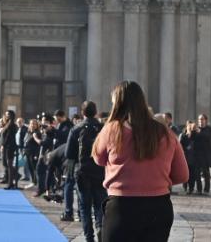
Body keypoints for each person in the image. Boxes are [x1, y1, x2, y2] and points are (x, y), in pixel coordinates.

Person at [93, 81, 189, 242]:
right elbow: (182, 175)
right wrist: (154, 179)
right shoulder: (165, 133)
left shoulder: (111, 130)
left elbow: (98, 158)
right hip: (158, 208)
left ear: (117, 104)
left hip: (121, 207)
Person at [67, 101, 107, 242]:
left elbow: (69, 154)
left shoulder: (76, 129)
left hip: (82, 171)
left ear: (82, 113)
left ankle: (89, 237)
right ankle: (100, 226)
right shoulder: (103, 128)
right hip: (100, 170)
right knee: (100, 204)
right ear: (95, 112)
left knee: (84, 207)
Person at [191, 114, 211, 195]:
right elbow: (192, 139)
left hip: (206, 155)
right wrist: (191, 131)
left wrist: (200, 133)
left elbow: (209, 137)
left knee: (206, 173)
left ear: (206, 120)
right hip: (196, 155)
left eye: (202, 119)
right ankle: (199, 190)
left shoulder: (209, 129)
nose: (200, 121)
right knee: (197, 173)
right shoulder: (196, 129)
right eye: (199, 119)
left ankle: (206, 190)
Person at [0, 110, 18, 189]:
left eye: (8, 115)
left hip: (9, 147)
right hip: (8, 146)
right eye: (6, 114)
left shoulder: (12, 125)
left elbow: (8, 136)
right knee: (8, 165)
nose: (6, 116)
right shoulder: (8, 124)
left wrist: (3, 145)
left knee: (9, 165)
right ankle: (11, 182)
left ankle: (11, 183)